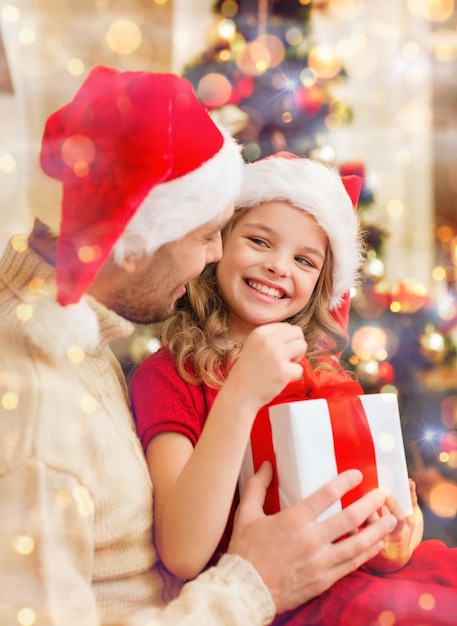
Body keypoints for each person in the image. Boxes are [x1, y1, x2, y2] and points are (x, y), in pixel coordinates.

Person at [0, 66, 397, 626]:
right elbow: (184, 551)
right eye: (210, 234)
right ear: (138, 244)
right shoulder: (40, 411)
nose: (214, 255)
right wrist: (253, 586)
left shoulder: (80, 346)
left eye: (306, 260)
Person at [131, 153, 457, 624]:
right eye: (259, 240)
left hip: (350, 583)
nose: (279, 267)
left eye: (304, 259)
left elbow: (365, 514)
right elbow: (183, 552)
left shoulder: (322, 376)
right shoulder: (169, 376)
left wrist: (394, 539)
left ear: (321, 285)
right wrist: (242, 392)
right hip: (260, 601)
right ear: (217, 243)